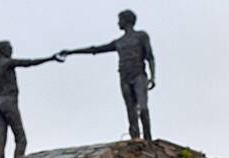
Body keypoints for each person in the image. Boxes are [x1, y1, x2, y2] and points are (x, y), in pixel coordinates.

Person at [59, 10, 156, 141]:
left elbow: (150, 57)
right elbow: (95, 49)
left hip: (139, 74)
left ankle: (148, 139)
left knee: (142, 107)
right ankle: (135, 139)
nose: (118, 23)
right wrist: (71, 52)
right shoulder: (119, 42)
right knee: (130, 108)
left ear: (126, 21)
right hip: (124, 76)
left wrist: (153, 77)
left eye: (120, 20)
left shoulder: (141, 36)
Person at [0, 41, 63, 158]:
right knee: (21, 138)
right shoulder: (7, 63)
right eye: (9, 48)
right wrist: (51, 58)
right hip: (8, 102)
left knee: (1, 138)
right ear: (3, 50)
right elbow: (29, 62)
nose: (11, 50)